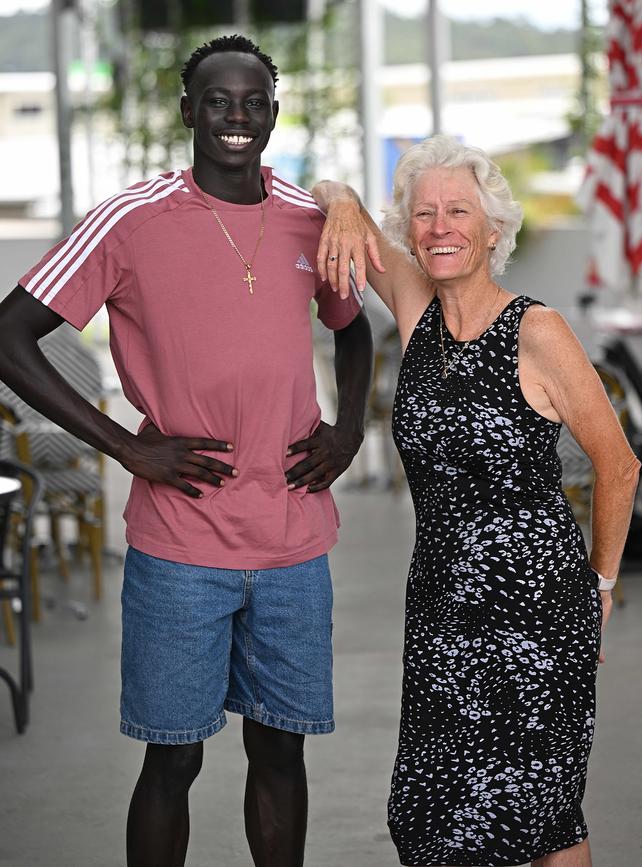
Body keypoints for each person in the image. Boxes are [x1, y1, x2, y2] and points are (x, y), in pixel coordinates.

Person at [0, 35, 373, 867]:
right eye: (217, 101)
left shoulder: (311, 223)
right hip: (180, 546)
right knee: (172, 757)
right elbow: (10, 335)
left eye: (252, 103)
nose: (235, 118)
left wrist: (347, 430)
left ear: (273, 115)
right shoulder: (130, 220)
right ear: (187, 111)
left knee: (281, 753)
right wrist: (125, 450)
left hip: (292, 541)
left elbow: (355, 333)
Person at [311, 135, 640, 867]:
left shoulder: (536, 330)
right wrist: (338, 201)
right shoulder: (414, 307)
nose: (440, 227)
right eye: (424, 213)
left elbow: (617, 464)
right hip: (439, 611)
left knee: (544, 812)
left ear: (494, 228)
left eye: (458, 210)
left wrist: (602, 584)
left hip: (537, 619)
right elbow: (339, 202)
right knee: (431, 817)